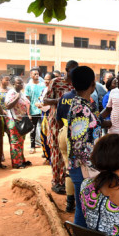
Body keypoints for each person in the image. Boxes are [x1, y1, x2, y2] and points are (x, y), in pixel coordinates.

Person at [66, 66, 103, 227]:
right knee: (83, 211)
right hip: (83, 168)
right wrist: (94, 165)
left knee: (86, 209)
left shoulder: (82, 104)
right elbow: (78, 145)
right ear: (92, 85)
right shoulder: (81, 108)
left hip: (83, 167)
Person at [44, 60, 79, 195]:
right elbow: (46, 100)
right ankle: (56, 182)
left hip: (70, 124)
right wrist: (58, 101)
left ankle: (66, 182)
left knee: (68, 153)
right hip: (55, 122)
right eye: (72, 70)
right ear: (66, 70)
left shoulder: (76, 85)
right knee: (56, 153)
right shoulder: (56, 82)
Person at [5, 77, 31, 169]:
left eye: (21, 83)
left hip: (22, 120)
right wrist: (16, 97)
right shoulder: (11, 93)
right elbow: (7, 105)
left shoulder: (21, 93)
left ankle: (21, 160)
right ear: (13, 84)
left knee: (21, 142)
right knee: (15, 142)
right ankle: (16, 163)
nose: (21, 84)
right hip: (14, 121)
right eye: (18, 83)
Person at [25, 67, 45, 154]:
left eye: (38, 74)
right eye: (35, 74)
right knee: (33, 129)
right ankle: (32, 146)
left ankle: (45, 148)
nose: (37, 75)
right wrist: (28, 112)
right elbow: (27, 100)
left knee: (44, 129)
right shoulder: (28, 86)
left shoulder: (43, 85)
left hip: (42, 110)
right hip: (33, 111)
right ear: (31, 75)